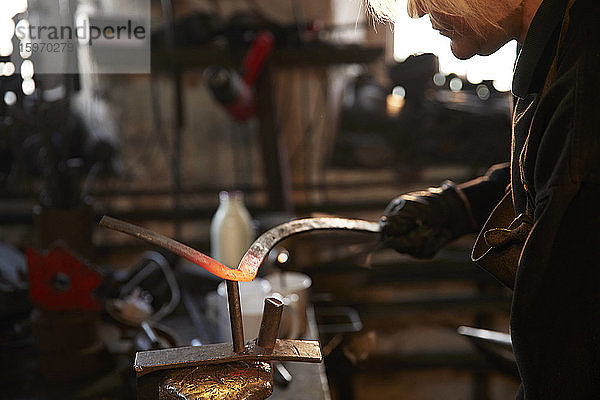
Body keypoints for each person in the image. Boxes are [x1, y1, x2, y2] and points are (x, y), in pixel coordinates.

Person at [369, 0, 600, 398]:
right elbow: (543, 165)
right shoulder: (556, 38)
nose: (415, 12)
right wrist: (461, 207)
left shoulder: (585, 81)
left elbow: (567, 357)